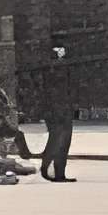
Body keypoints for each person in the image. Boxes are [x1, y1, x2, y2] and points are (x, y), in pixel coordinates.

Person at [27, 43, 77, 184]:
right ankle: (52, 170)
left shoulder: (53, 69)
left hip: (59, 109)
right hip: (58, 110)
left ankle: (57, 172)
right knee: (59, 140)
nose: (63, 52)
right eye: (60, 50)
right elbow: (58, 91)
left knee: (61, 140)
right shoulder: (55, 69)